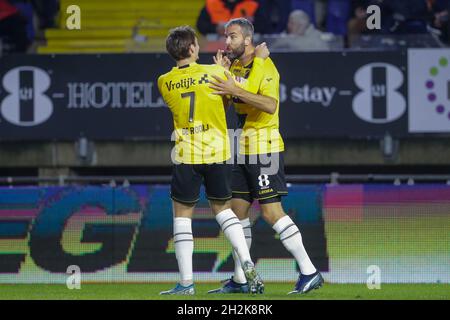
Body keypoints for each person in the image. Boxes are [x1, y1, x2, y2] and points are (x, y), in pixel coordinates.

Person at [208, 18, 324, 294]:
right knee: (237, 214)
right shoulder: (235, 66)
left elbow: (270, 105)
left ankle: (309, 272)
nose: (227, 43)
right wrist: (224, 78)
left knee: (272, 212)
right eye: (226, 37)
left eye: (232, 37)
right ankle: (240, 279)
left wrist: (234, 88)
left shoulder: (267, 66)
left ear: (247, 40)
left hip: (264, 148)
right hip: (241, 148)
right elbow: (228, 102)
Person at [157, 25, 265, 295]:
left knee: (182, 217)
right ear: (193, 48)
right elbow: (228, 101)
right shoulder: (216, 73)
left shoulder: (164, 81)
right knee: (224, 211)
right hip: (218, 152)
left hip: (186, 154)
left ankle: (186, 283)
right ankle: (247, 262)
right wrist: (226, 71)